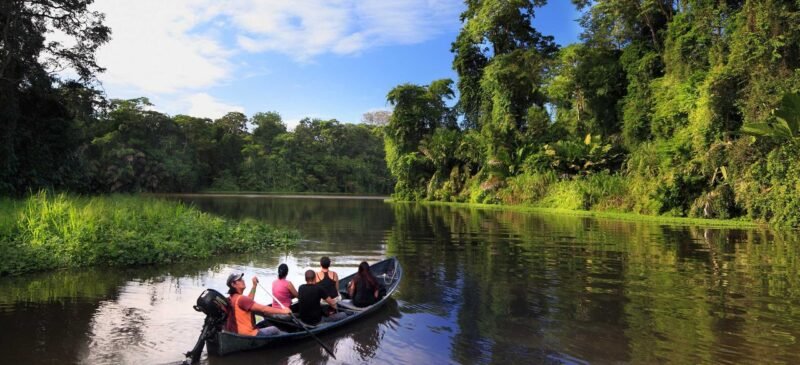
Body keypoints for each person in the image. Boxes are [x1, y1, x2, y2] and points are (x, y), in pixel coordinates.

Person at [225, 272, 291, 336]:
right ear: (233, 285)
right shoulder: (241, 299)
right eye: (239, 280)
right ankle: (291, 337)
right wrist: (283, 311)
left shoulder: (231, 298)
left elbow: (249, 301)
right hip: (247, 335)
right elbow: (263, 309)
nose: (243, 280)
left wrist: (254, 286)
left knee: (265, 323)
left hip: (236, 333)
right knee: (274, 329)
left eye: (242, 279)